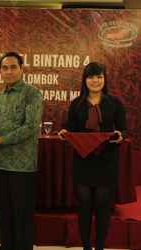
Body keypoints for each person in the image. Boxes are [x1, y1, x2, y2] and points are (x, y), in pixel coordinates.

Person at [58, 62, 126, 250]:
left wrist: (120, 135)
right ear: (85, 80)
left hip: (106, 162)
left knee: (103, 206)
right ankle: (86, 246)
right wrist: (64, 131)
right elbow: (70, 127)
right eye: (91, 77)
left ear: (105, 79)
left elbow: (123, 129)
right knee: (85, 206)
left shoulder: (115, 103)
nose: (95, 81)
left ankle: (100, 247)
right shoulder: (76, 104)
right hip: (83, 162)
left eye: (99, 77)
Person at [0, 52, 42, 250]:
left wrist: (3, 139)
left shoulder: (32, 93)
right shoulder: (0, 95)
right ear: (0, 71)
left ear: (21, 69)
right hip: (0, 162)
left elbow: (31, 127)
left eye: (13, 67)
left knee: (22, 214)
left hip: (23, 165)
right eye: (4, 68)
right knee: (3, 212)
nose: (9, 71)